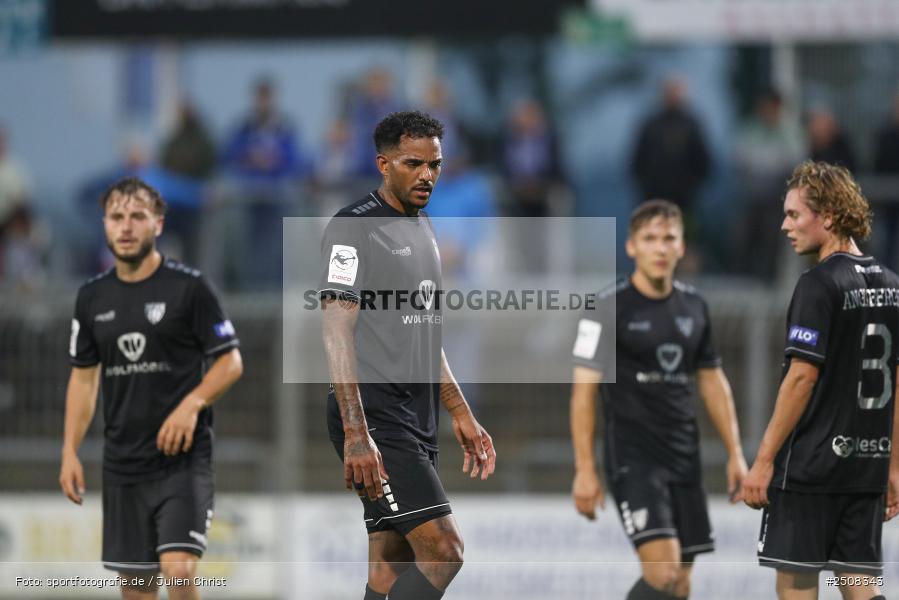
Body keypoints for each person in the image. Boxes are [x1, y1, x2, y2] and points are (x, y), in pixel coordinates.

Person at [318, 110, 496, 600]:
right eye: (414, 163)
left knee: (388, 570)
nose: (427, 175)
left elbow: (424, 334)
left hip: (415, 414)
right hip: (375, 417)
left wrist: (459, 410)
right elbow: (335, 327)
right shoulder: (353, 228)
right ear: (383, 163)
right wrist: (357, 432)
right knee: (444, 550)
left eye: (435, 164)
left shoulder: (424, 229)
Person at [59, 177, 243, 600]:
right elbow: (84, 378)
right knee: (137, 591)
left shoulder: (190, 288)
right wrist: (69, 450)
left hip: (182, 461)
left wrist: (191, 404)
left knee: (178, 573)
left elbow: (230, 361)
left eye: (137, 216)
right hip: (123, 466)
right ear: (104, 224)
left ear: (158, 224)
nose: (126, 227)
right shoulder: (91, 298)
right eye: (116, 217)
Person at [569, 199, 747, 599]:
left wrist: (736, 452)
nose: (661, 248)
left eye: (669, 238)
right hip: (634, 458)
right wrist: (585, 468)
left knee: (680, 584)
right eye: (650, 239)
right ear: (631, 247)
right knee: (663, 571)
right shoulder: (603, 307)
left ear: (682, 246)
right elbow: (583, 392)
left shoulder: (695, 306)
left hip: (685, 456)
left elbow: (712, 380)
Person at [739, 161, 899, 600]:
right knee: (862, 590)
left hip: (809, 472)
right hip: (865, 470)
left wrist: (765, 458)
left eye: (794, 215)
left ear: (827, 216)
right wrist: (894, 465)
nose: (784, 225)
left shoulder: (818, 284)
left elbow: (801, 377)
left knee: (796, 586)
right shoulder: (893, 285)